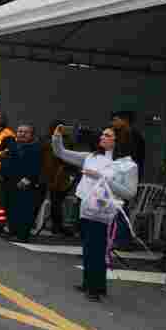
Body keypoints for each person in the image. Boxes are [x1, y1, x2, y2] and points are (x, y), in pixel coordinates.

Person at [50, 124, 138, 301]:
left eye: (108, 135)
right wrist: (57, 136)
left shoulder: (128, 165)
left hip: (105, 210)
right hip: (86, 206)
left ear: (119, 141)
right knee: (88, 247)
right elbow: (61, 153)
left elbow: (129, 193)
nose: (102, 137)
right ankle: (92, 283)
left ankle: (95, 289)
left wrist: (101, 178)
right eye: (103, 134)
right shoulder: (91, 157)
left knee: (97, 249)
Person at [1, 124, 44, 242]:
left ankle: (22, 235)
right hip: (10, 183)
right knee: (11, 209)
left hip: (26, 184)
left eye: (26, 132)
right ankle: (13, 232)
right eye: (20, 131)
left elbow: (36, 167)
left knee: (24, 211)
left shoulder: (36, 148)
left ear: (32, 135)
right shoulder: (13, 146)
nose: (22, 134)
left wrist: (27, 180)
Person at [40, 119, 77, 237]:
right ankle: (57, 226)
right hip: (55, 175)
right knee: (56, 202)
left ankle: (57, 225)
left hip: (60, 175)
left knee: (56, 202)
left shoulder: (50, 141)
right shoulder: (49, 141)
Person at [111, 111, 147, 179]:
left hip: (129, 170)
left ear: (124, 121)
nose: (113, 123)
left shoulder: (136, 135)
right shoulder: (115, 133)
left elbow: (138, 157)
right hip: (117, 169)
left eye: (116, 120)